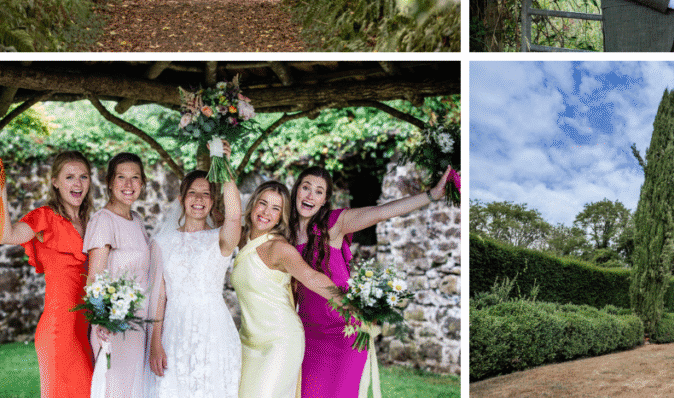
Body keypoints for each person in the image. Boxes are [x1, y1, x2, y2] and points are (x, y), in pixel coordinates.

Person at [290, 165, 453, 398]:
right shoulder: (284, 233)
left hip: (344, 334)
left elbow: (382, 212)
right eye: (306, 187)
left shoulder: (335, 224)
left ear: (325, 200)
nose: (310, 195)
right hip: (306, 335)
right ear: (296, 190)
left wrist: (432, 195)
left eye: (318, 191)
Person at [0, 151, 95, 398]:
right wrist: (1, 192)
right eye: (70, 177)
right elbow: (7, 236)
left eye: (83, 177)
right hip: (59, 330)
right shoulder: (45, 217)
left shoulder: (92, 221)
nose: (78, 183)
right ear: (55, 181)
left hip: (88, 328)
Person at [231, 181, 343, 398]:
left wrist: (350, 305)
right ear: (253, 204)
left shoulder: (279, 248)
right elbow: (228, 213)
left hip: (280, 340)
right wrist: (223, 164)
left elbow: (311, 276)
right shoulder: (242, 238)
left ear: (281, 216)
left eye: (276, 208)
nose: (266, 212)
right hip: (248, 342)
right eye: (262, 203)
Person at [148, 161, 241, 398]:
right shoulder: (162, 243)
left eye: (205, 194)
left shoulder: (220, 239)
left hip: (213, 329)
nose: (199, 199)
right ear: (181, 199)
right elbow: (160, 295)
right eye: (192, 193)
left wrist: (224, 168)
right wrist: (155, 342)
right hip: (173, 330)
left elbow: (233, 217)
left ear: (211, 202)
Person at [84, 153, 163, 398]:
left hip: (140, 324)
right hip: (115, 326)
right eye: (121, 178)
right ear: (109, 182)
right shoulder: (103, 221)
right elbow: (95, 279)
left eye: (135, 178)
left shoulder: (137, 220)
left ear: (142, 183)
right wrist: (103, 320)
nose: (128, 185)